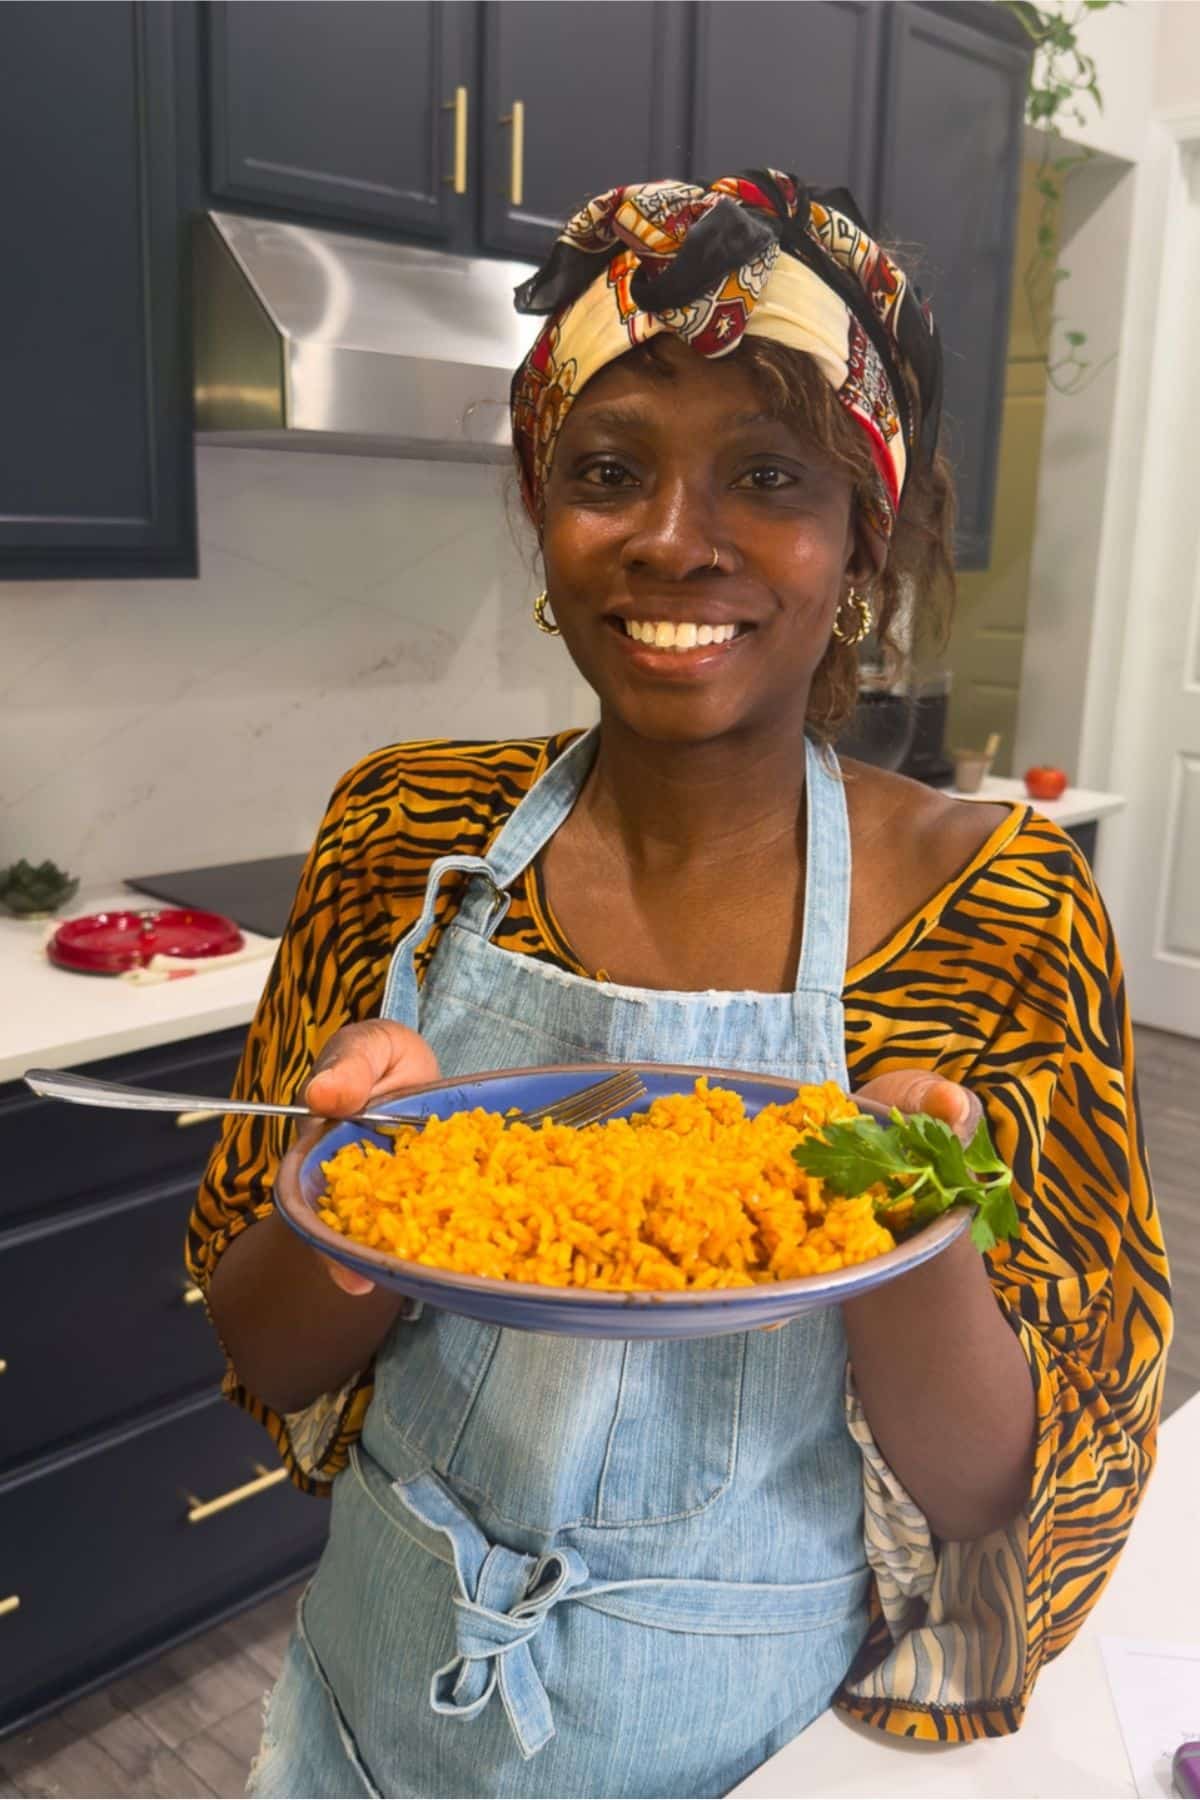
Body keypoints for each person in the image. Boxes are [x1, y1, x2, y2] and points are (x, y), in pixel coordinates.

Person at [190, 172, 1170, 1800]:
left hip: (733, 1755)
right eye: (608, 468)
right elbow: (261, 1349)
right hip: (371, 1713)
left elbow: (1003, 1482)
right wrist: (366, 1193)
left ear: (866, 536)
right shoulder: (406, 829)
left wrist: (910, 1222)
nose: (668, 536)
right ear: (541, 510)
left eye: (767, 476)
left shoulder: (999, 907)